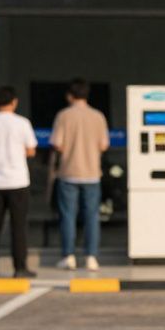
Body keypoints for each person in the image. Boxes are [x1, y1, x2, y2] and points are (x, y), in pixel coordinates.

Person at [0, 86, 39, 279]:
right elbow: (31, 150)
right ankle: (19, 268)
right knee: (18, 226)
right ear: (14, 102)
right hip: (18, 180)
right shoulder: (22, 123)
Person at [50, 78, 109, 271]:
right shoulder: (98, 116)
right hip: (92, 172)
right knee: (92, 216)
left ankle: (69, 255)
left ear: (70, 95)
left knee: (68, 215)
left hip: (68, 172)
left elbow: (57, 143)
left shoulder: (64, 116)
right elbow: (104, 145)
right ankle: (91, 256)